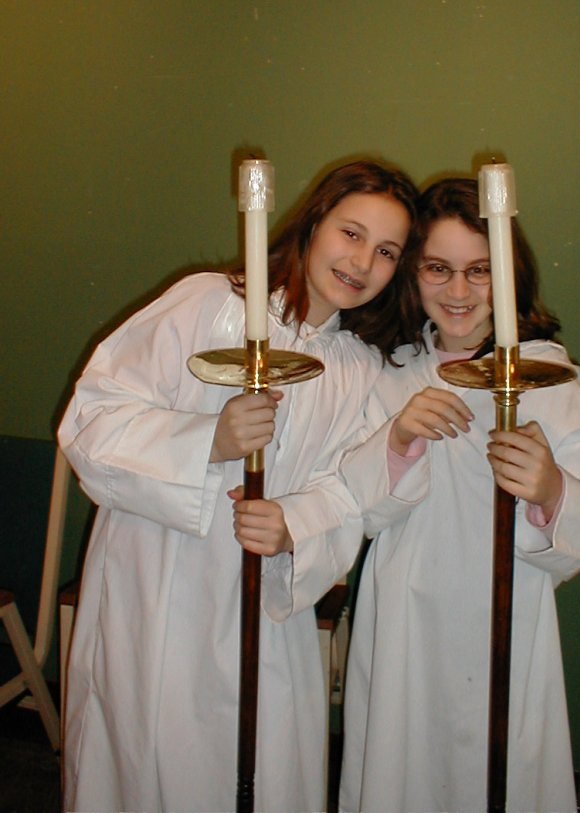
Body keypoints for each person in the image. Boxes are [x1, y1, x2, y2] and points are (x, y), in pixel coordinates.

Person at [58, 159, 417, 813]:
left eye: (387, 251)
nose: (363, 262)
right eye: (351, 233)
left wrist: (292, 526)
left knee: (253, 770)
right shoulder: (208, 305)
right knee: (146, 760)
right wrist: (208, 441)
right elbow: (91, 421)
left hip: (265, 613)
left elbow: (348, 493)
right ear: (313, 223)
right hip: (156, 591)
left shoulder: (359, 369)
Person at [338, 178, 580, 813]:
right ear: (413, 273)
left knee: (496, 773)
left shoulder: (552, 382)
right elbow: (354, 507)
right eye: (438, 268)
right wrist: (397, 440)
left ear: (509, 272)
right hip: (404, 623)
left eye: (479, 270)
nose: (459, 292)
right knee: (400, 768)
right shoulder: (390, 373)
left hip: (503, 617)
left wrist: (552, 489)